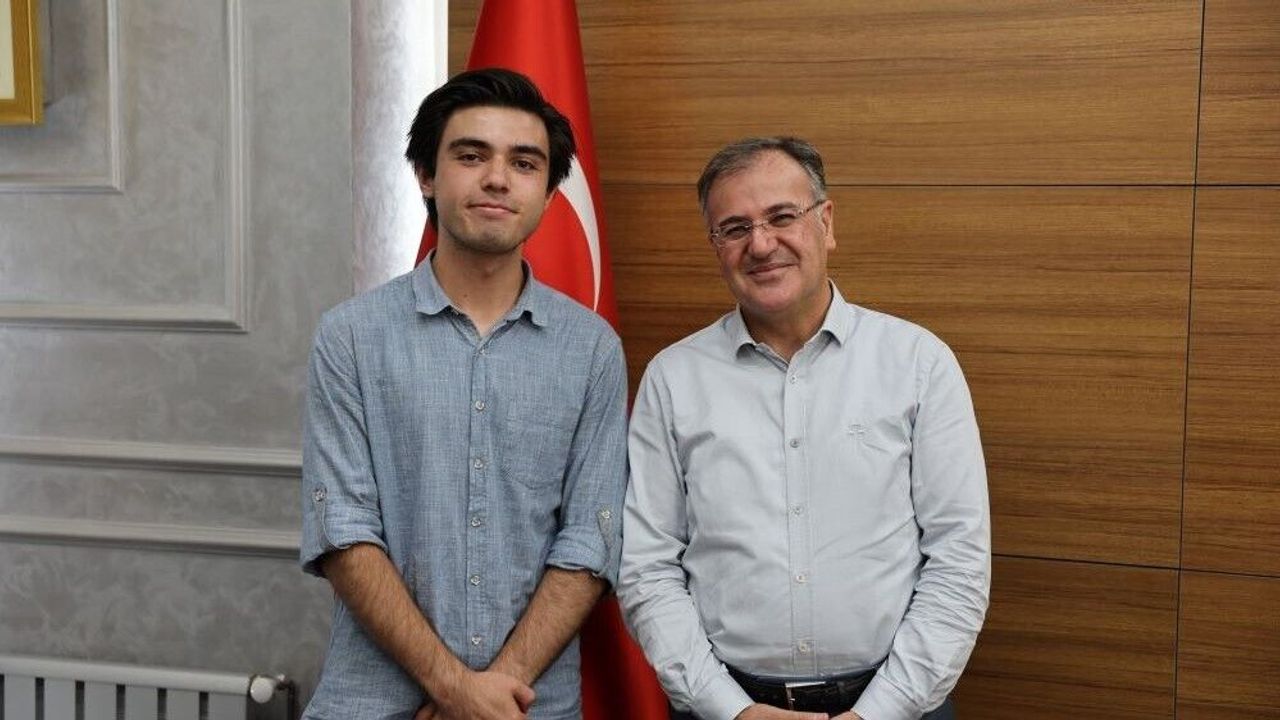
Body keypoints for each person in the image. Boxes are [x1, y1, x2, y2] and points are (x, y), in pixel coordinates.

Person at [618, 137, 990, 720]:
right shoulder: (673, 378)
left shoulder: (918, 364)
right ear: (715, 246)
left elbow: (958, 561)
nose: (761, 244)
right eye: (734, 228)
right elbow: (647, 568)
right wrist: (730, 709)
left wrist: (880, 711)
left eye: (782, 216)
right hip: (723, 707)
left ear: (826, 222)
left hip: (898, 705)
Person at [299, 68, 629, 720]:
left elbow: (590, 541)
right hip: (372, 703)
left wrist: (488, 695)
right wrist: (453, 688)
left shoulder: (592, 349)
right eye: (471, 156)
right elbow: (343, 533)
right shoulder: (350, 337)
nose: (498, 179)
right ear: (427, 175)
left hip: (527, 705)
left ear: (549, 192)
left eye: (524, 163)